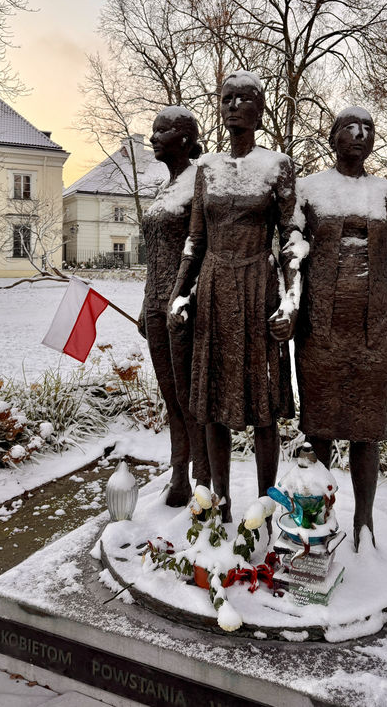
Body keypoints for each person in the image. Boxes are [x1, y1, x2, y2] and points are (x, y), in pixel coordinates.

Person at [167, 71, 302, 522]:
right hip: (212, 289)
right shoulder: (206, 170)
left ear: (260, 111)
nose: (234, 106)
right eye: (227, 98)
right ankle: (219, 502)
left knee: (262, 405)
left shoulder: (277, 165)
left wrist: (290, 301)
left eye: (245, 98)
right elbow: (194, 240)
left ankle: (267, 504)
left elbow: (291, 239)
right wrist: (179, 295)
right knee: (212, 404)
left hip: (257, 288)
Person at [294, 106, 387, 551]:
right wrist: (288, 307)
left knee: (367, 427)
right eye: (350, 128)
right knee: (319, 427)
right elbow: (295, 255)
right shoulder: (310, 191)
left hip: (373, 330)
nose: (360, 135)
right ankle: (317, 517)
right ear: (333, 137)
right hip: (320, 330)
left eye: (368, 129)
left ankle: (364, 522)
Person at [139, 106, 210, 506]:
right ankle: (178, 470)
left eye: (160, 131)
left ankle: (201, 477)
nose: (152, 138)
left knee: (189, 395)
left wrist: (186, 296)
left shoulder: (200, 182)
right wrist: (143, 305)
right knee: (170, 396)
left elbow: (202, 248)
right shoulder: (166, 188)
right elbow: (156, 255)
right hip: (154, 302)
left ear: (183, 139)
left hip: (183, 305)